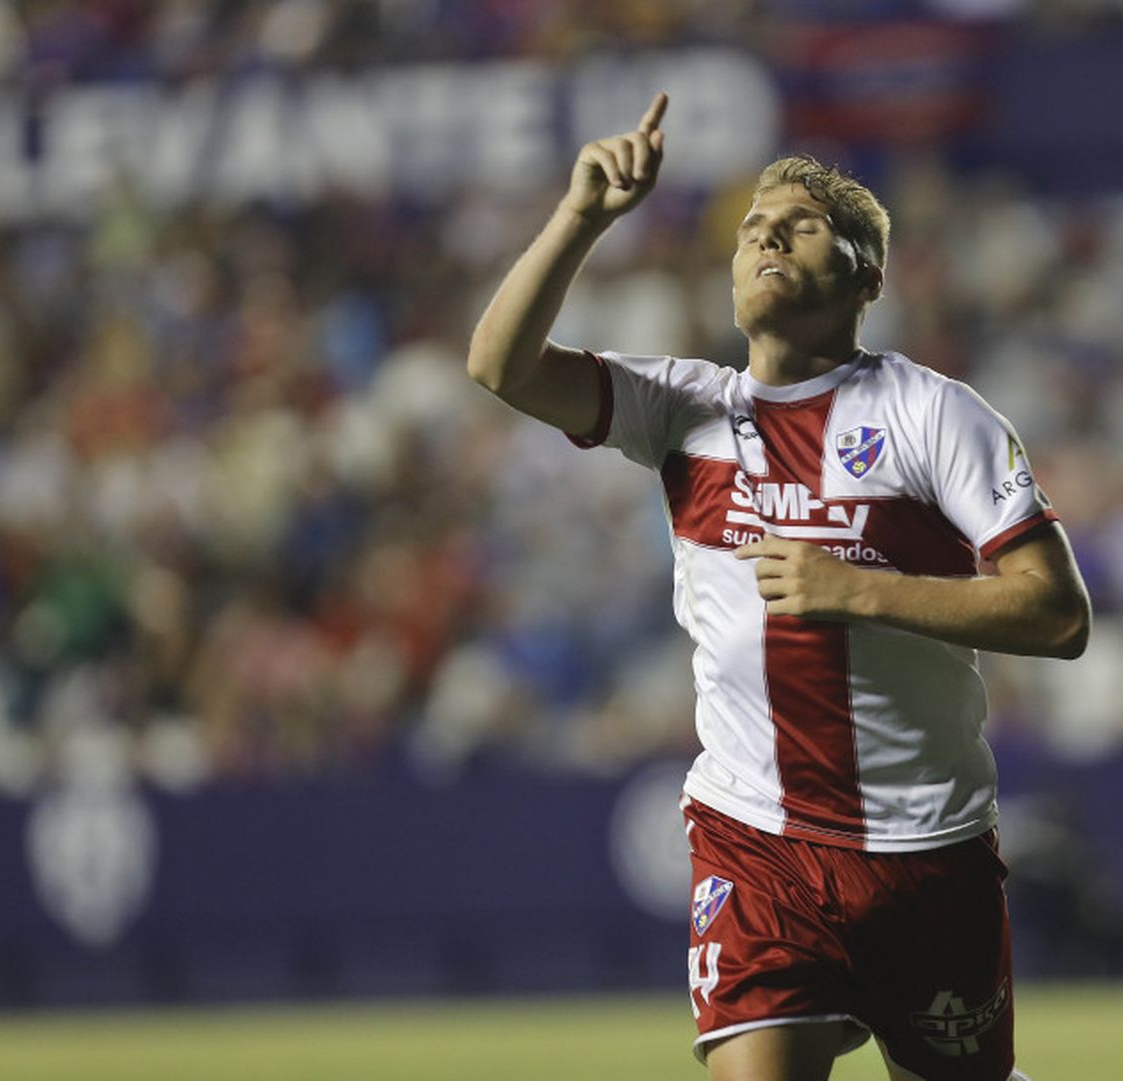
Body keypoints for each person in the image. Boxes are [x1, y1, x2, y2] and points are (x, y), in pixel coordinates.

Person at [467, 92, 1090, 1081]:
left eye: (800, 226)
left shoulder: (934, 415)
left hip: (926, 844)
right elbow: (499, 365)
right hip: (755, 836)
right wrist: (581, 217)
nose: (768, 236)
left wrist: (857, 590)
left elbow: (1057, 613)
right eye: (754, 227)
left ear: (863, 275)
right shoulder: (682, 408)